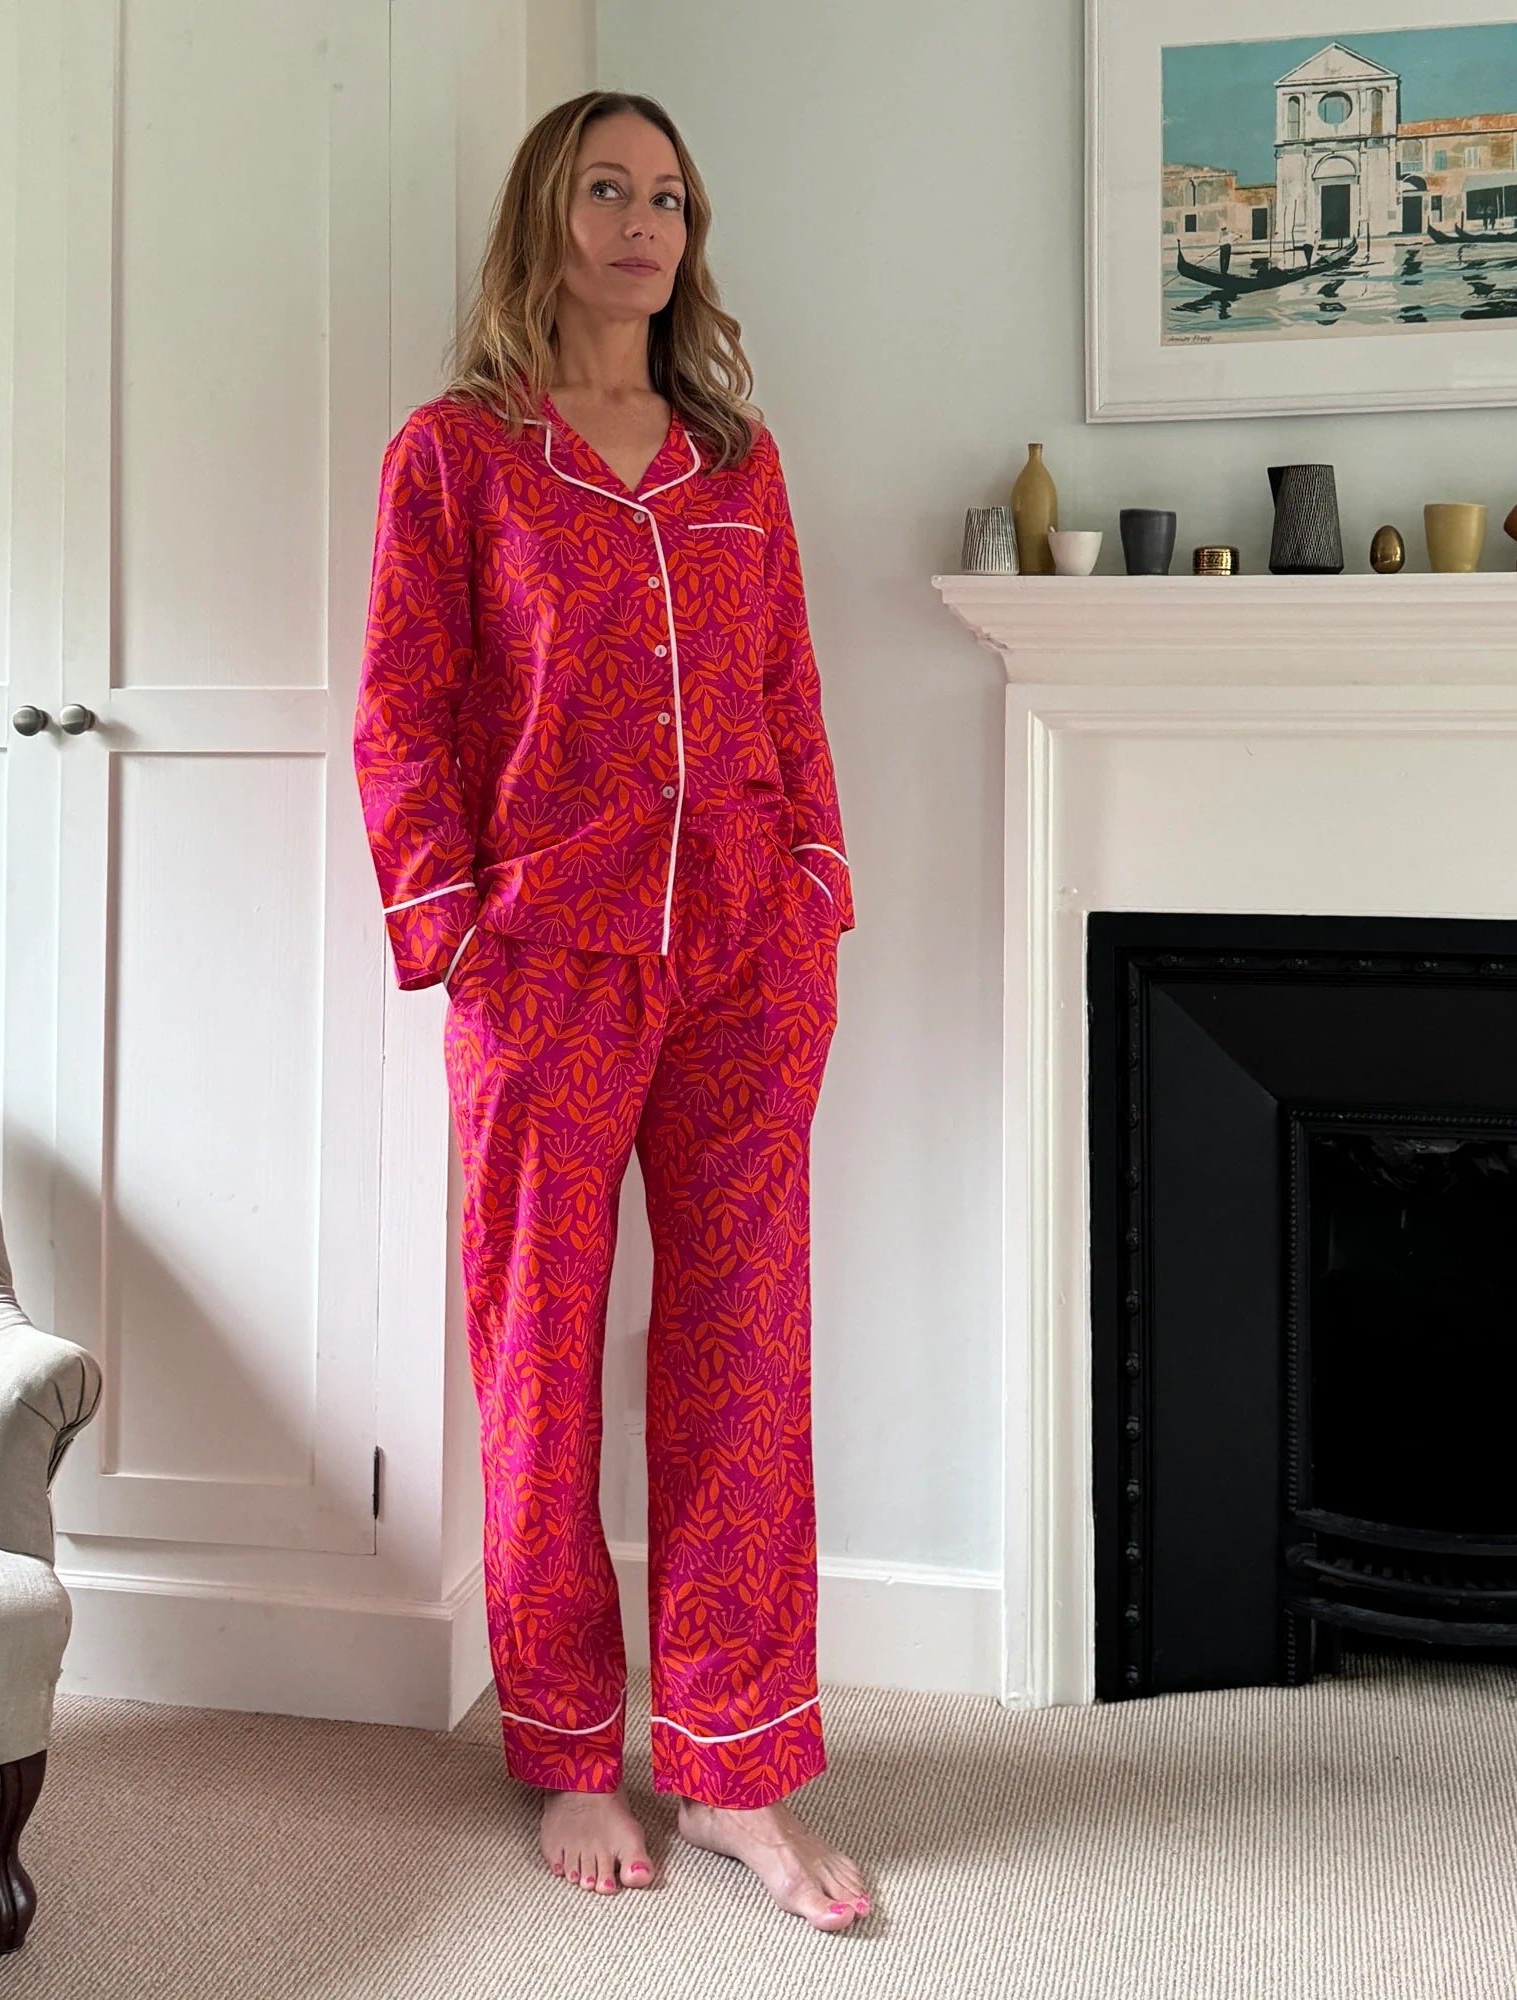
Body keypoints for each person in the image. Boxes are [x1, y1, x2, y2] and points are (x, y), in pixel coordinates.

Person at [351, 90, 870, 1932]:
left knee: (746, 1359)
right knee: (541, 1355)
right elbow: (404, 711)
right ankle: (573, 1747)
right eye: (608, 189)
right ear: (546, 217)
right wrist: (456, 933)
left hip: (741, 957)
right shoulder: (459, 456)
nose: (643, 221)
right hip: (543, 961)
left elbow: (792, 698)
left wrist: (817, 892)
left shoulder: (740, 463)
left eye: (668, 195)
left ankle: (735, 1766)